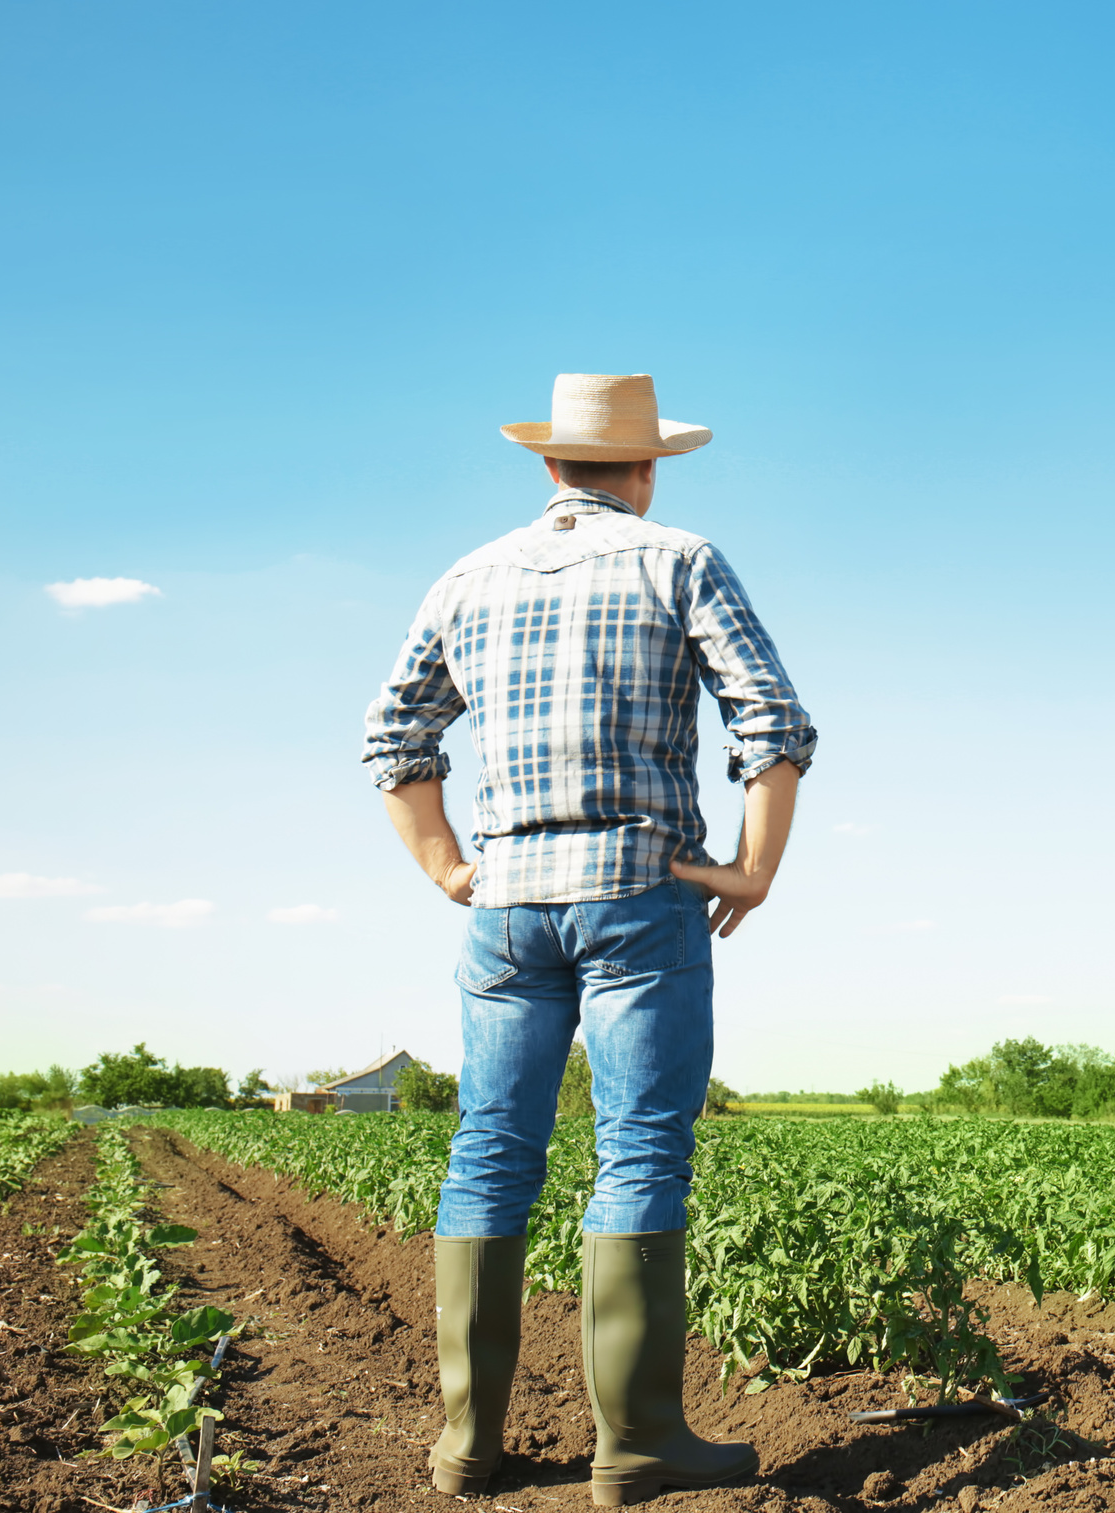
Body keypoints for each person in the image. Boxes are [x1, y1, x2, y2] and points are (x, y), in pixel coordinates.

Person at [362, 372, 815, 1504]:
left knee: (490, 1152)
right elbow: (772, 720)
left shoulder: (468, 576)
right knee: (641, 1149)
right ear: (648, 468)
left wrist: (450, 867)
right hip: (636, 889)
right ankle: (640, 1441)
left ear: (549, 466)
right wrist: (753, 869)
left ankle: (468, 1445)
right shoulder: (681, 559)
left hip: (508, 905)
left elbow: (392, 735)